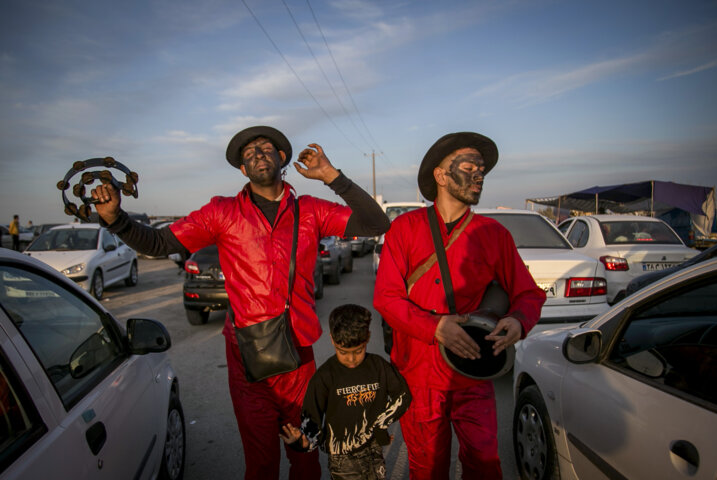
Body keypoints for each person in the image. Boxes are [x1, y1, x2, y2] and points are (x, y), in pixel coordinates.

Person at [90, 126, 390, 480]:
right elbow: (159, 243)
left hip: (298, 357)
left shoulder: (310, 210)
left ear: (282, 159)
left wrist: (330, 176)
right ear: (243, 170)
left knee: (305, 454)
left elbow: (376, 223)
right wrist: (115, 219)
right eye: (249, 152)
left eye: (266, 147)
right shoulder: (222, 212)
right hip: (247, 357)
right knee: (261, 463)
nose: (258, 153)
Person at [373, 132, 546, 479]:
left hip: (473, 373)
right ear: (440, 175)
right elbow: (386, 298)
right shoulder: (405, 229)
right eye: (469, 166)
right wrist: (435, 327)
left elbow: (529, 294)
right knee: (427, 468)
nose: (479, 174)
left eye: (482, 169)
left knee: (485, 464)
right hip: (420, 375)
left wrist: (517, 321)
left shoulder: (493, 233)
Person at [279, 304, 411, 480]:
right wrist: (303, 441)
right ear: (332, 340)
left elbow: (402, 396)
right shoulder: (324, 376)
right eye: (343, 352)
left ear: (368, 338)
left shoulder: (379, 367)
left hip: (374, 452)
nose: (351, 359)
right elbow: (312, 417)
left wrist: (381, 423)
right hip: (342, 459)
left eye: (358, 351)